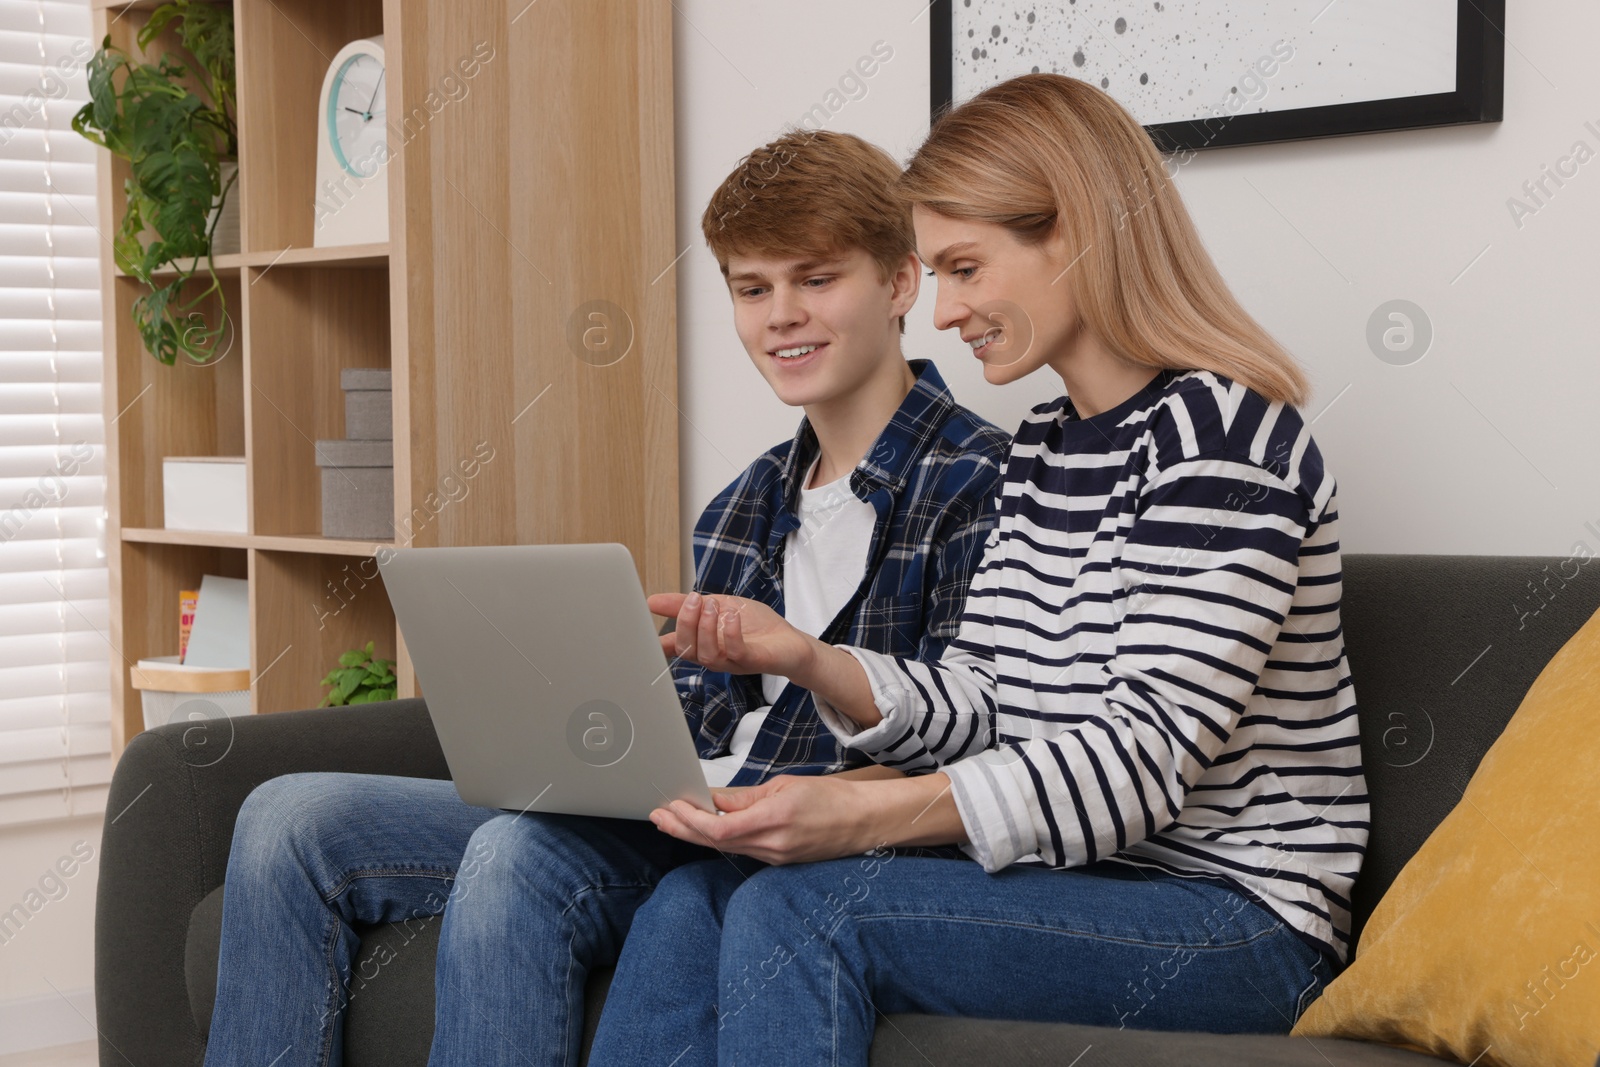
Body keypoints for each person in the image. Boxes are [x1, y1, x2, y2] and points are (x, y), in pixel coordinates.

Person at [199, 128, 1010, 1067]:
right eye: (752, 289)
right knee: (286, 816)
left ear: (902, 283)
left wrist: (789, 786)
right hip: (681, 812)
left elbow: (984, 742)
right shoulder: (742, 507)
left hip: (800, 840)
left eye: (815, 279)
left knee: (513, 858)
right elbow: (704, 726)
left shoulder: (981, 485)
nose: (782, 314)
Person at [620, 73, 1370, 1066]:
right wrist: (806, 656)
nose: (945, 313)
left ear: (1077, 235)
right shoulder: (1049, 444)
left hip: (1238, 920)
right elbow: (984, 697)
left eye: (966, 268)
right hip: (1088, 879)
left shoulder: (1222, 439)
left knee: (800, 908)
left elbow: (1140, 761)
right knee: (689, 901)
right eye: (937, 274)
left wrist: (862, 811)